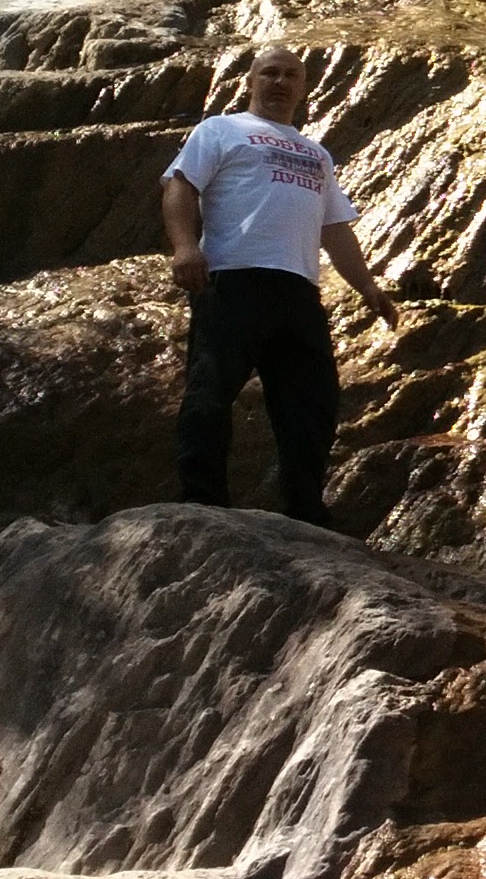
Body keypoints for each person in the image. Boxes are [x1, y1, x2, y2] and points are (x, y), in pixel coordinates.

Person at [161, 42, 399, 528]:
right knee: (211, 391)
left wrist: (368, 288)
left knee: (311, 403)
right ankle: (202, 500)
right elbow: (180, 185)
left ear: (304, 87)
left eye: (291, 75)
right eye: (270, 73)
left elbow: (335, 229)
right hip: (233, 278)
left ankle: (305, 509)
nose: (280, 82)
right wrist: (185, 247)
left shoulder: (317, 154)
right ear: (250, 81)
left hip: (298, 289)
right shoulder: (221, 129)